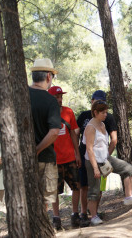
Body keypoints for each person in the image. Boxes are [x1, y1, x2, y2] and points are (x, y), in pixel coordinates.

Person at [80, 91, 132, 226]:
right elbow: (89, 149)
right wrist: (96, 168)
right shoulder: (90, 128)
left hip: (105, 158)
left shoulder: (102, 124)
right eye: (103, 112)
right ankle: (94, 217)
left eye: (106, 112)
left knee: (128, 169)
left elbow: (109, 142)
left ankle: (128, 197)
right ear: (95, 112)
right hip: (93, 162)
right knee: (94, 191)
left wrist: (107, 157)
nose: (105, 114)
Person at [48, 86, 81, 229]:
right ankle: (56, 218)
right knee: (54, 191)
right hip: (54, 160)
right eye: (57, 97)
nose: (60, 99)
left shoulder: (68, 112)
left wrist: (77, 153)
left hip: (70, 158)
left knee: (76, 186)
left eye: (61, 96)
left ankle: (75, 215)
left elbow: (73, 133)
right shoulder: (45, 114)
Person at [29, 58, 61, 208]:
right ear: (49, 76)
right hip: (45, 158)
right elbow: (54, 131)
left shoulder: (19, 95)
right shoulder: (51, 101)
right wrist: (36, 150)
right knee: (44, 202)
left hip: (20, 160)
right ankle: (42, 229)